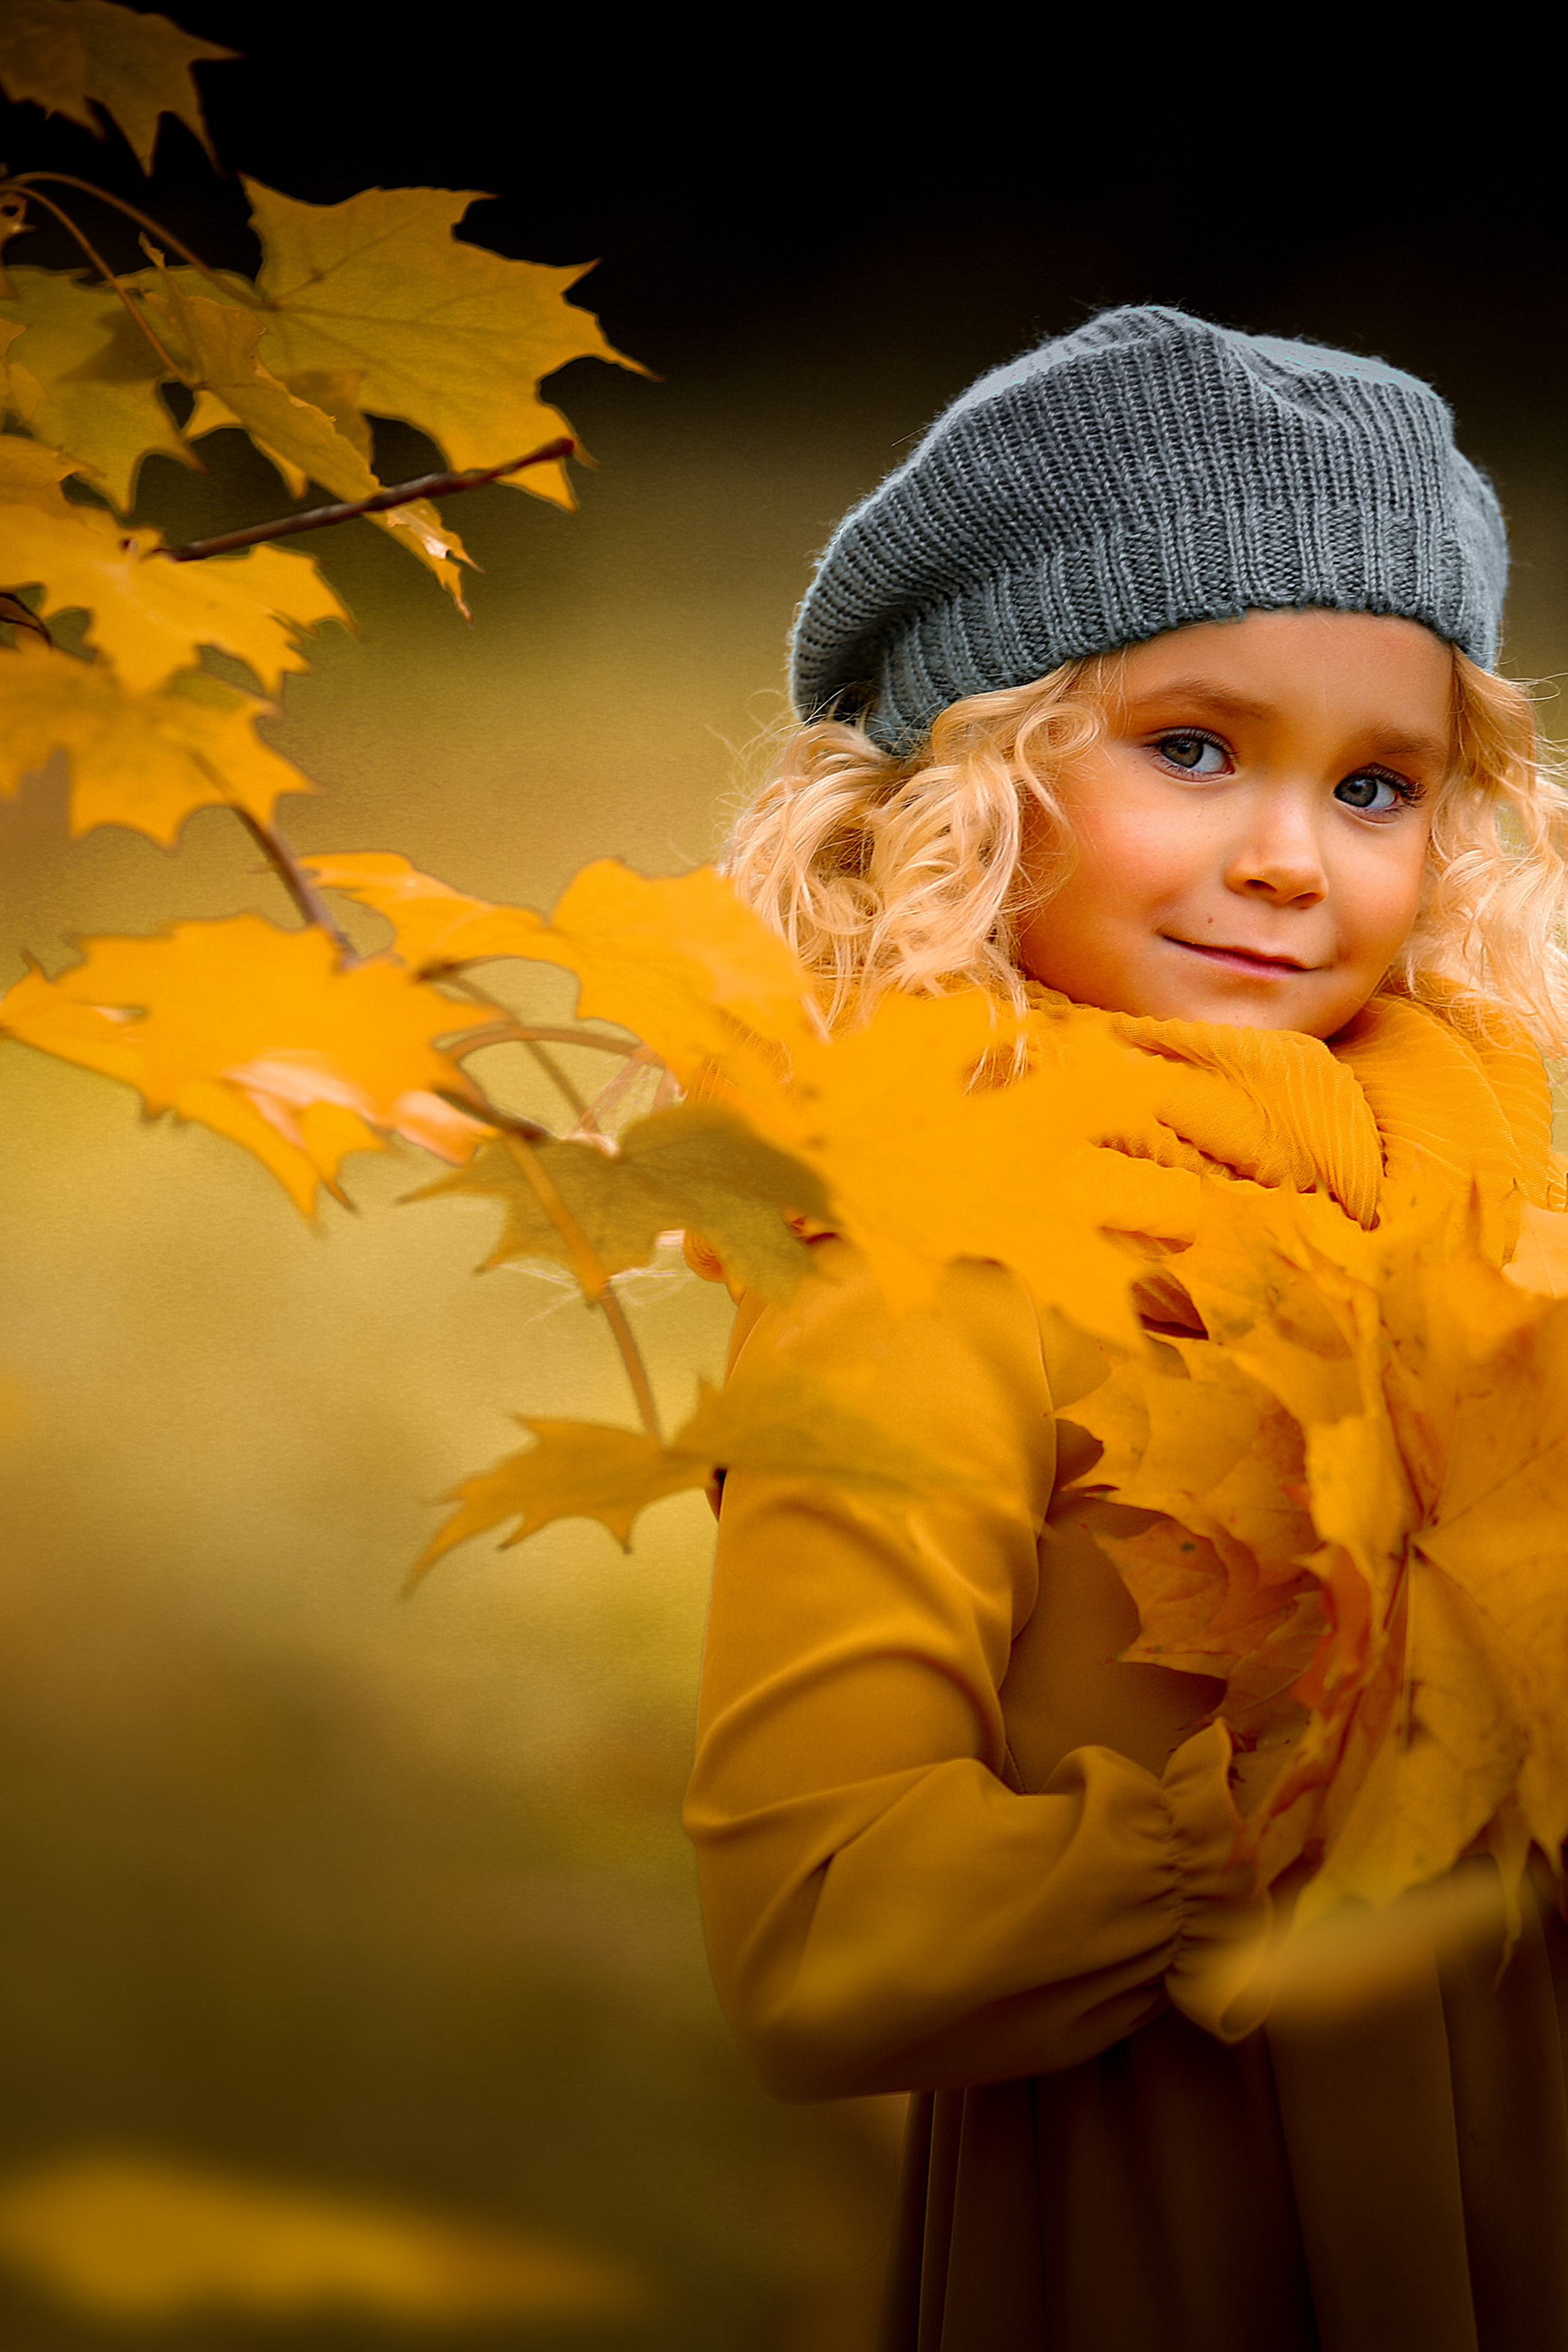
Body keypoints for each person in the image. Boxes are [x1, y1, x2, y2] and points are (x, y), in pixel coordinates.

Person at [680, 306, 1568, 2350]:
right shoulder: (930, 1247)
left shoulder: (1486, 1189)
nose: (1286, 857)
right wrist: (1275, 1812)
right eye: (1194, 749)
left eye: (1375, 786)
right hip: (1184, 2211)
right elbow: (820, 1933)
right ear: (976, 779)